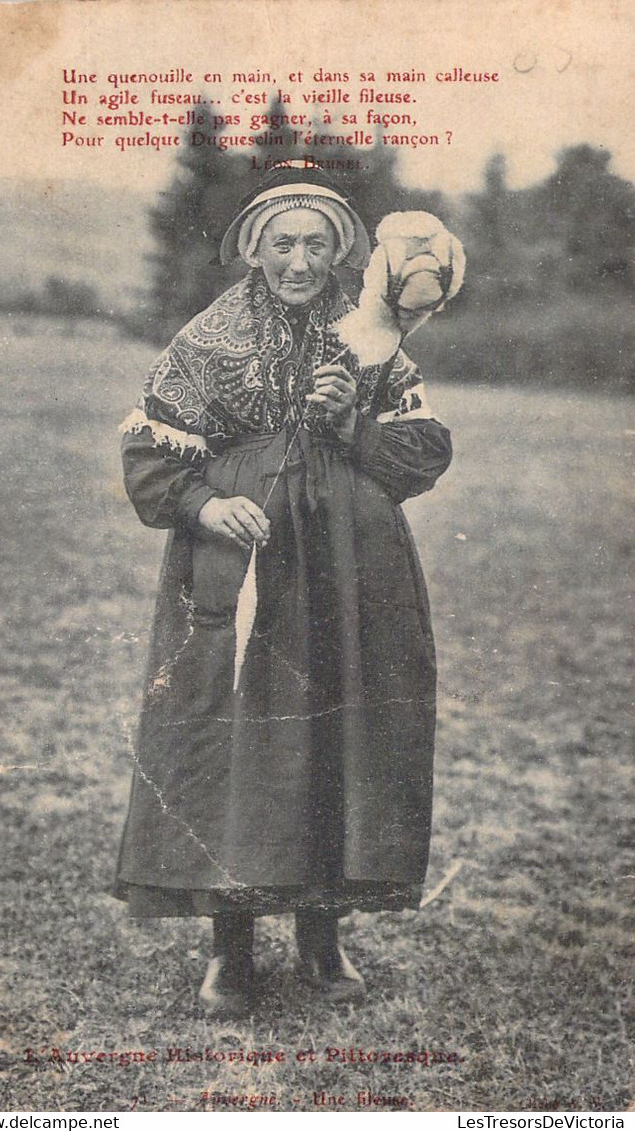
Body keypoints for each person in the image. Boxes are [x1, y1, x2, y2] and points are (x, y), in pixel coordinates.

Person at [114, 161, 453, 1015]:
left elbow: (421, 455)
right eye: (281, 244)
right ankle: (228, 949)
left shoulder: (370, 336)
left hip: (349, 564)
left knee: (337, 738)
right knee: (236, 739)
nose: (299, 262)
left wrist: (351, 422)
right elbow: (151, 460)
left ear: (341, 250)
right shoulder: (208, 339)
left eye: (315, 244)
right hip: (244, 557)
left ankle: (321, 935)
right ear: (253, 251)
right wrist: (206, 502)